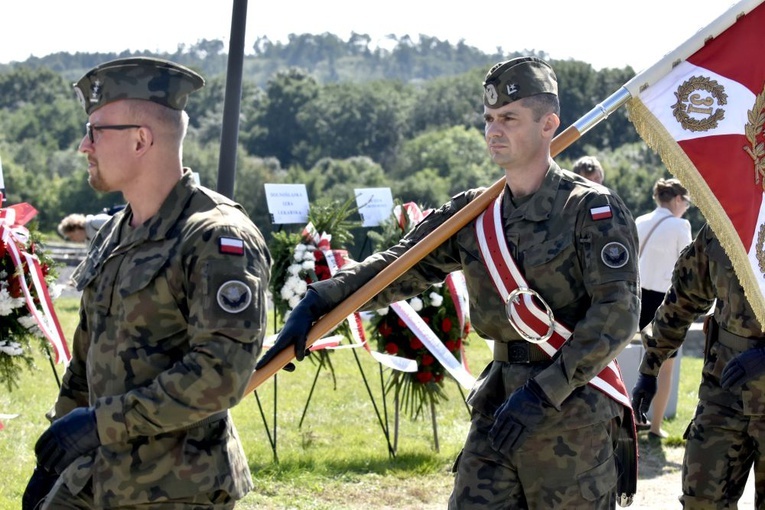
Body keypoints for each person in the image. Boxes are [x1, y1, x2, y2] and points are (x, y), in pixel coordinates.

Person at [257, 56, 640, 508]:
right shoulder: (476, 212)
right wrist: (322, 299)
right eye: (489, 119)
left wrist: (545, 391)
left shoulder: (591, 211)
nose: (494, 130)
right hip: (500, 399)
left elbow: (617, 315)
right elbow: (401, 263)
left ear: (548, 124)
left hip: (572, 406)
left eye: (509, 119)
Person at [22, 57, 272, 509]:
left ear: (141, 139)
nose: (84, 145)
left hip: (176, 488)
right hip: (94, 478)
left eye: (96, 131)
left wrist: (99, 424)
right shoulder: (121, 230)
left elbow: (220, 375)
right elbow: (88, 351)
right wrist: (57, 451)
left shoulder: (217, 237)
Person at [632, 223, 765, 508]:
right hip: (724, 391)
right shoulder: (728, 216)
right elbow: (684, 297)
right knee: (701, 501)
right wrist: (650, 366)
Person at [635, 177, 692, 438]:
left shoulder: (640, 221)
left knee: (635, 361)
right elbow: (687, 268)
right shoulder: (681, 226)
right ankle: (655, 426)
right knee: (665, 367)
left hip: (636, 298)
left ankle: (631, 420)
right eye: (687, 202)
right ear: (678, 199)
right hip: (664, 301)